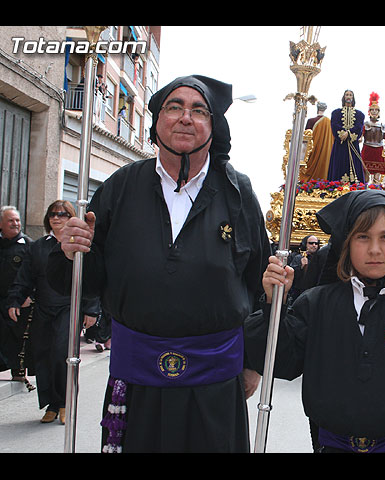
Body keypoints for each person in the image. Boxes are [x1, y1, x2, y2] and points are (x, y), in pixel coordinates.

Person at [46, 75, 271, 452]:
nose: (186, 117)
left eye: (199, 110)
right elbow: (85, 279)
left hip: (214, 383)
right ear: (155, 124)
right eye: (174, 107)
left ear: (214, 128)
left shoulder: (238, 193)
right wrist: (69, 254)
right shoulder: (120, 187)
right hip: (138, 380)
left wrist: (254, 361)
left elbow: (261, 286)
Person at [244, 189, 385, 453]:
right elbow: (283, 362)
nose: (374, 249)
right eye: (362, 237)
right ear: (346, 244)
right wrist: (273, 304)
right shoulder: (316, 304)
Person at [7, 200, 99, 424]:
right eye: (52, 215)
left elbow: (92, 278)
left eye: (61, 214)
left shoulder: (78, 245)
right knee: (44, 356)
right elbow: (25, 277)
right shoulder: (37, 247)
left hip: (69, 307)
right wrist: (15, 300)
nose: (56, 218)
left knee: (62, 355)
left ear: (70, 217)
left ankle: (65, 403)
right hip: (43, 310)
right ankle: (51, 404)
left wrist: (91, 309)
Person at [0, 206, 33, 381]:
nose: (15, 224)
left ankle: (18, 372)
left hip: (18, 301)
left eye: (17, 220)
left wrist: (29, 296)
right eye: (10, 220)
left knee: (16, 337)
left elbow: (35, 274)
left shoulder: (28, 245)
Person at [326, 90, 365, 183]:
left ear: (353, 98)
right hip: (340, 145)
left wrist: (349, 133)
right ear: (344, 97)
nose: (348, 96)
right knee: (338, 164)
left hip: (353, 144)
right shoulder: (336, 113)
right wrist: (342, 134)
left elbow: (359, 127)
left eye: (350, 95)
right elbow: (334, 125)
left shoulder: (360, 114)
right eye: (347, 95)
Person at [300, 102, 333, 182]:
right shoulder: (329, 122)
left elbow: (305, 140)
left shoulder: (311, 121)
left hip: (313, 152)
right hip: (325, 154)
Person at [361, 92, 385, 183]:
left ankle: (376, 188)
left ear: (378, 111)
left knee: (377, 175)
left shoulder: (383, 126)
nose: (374, 112)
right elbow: (361, 137)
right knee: (365, 173)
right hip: (367, 148)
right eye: (372, 110)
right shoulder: (365, 124)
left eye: (376, 110)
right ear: (369, 111)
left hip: (379, 150)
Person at [288, 235, 320, 301]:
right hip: (299, 292)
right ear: (305, 244)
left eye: (316, 243)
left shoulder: (320, 258)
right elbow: (292, 275)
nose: (314, 245)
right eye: (311, 243)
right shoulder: (298, 258)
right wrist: (302, 267)